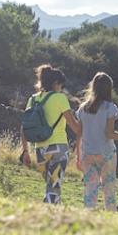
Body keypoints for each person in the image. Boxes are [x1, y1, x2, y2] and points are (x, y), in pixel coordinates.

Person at [75, 72, 118, 211]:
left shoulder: (83, 108)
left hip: (87, 153)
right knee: (109, 188)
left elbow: (79, 134)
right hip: (106, 154)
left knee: (90, 189)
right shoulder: (110, 108)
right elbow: (109, 134)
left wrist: (78, 155)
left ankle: (88, 215)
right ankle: (111, 214)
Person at [20, 65, 81, 204]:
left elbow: (24, 127)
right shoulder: (60, 98)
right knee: (54, 186)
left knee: (51, 186)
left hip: (40, 150)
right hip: (58, 148)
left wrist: (25, 151)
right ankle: (49, 216)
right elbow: (75, 127)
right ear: (56, 83)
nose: (62, 88)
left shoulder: (33, 99)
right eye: (61, 85)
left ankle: (51, 211)